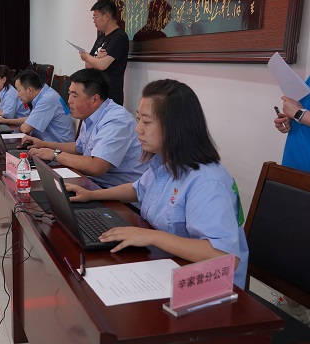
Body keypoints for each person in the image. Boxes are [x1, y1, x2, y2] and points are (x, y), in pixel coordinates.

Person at [65, 79, 249, 289]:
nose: (138, 129)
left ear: (175, 126)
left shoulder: (207, 181)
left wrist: (151, 236)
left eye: (146, 122)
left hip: (206, 287)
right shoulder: (164, 160)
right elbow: (138, 189)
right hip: (165, 265)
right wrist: (92, 195)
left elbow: (223, 256)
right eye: (138, 119)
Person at [23, 68, 148, 188]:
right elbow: (78, 148)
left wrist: (54, 155)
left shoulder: (116, 120)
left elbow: (97, 167)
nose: (69, 100)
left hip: (115, 192)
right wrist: (44, 144)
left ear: (94, 99)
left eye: (74, 96)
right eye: (69, 94)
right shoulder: (91, 114)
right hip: (95, 182)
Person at [272, 76, 310, 323]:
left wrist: (299, 114)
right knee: (294, 246)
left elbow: (302, 114)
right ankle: (293, 305)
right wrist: (288, 121)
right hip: (295, 170)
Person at [0, 69, 74, 143]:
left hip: (57, 147)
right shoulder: (44, 94)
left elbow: (25, 129)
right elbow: (31, 119)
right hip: (45, 143)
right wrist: (6, 121)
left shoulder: (47, 99)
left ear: (30, 90)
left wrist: (14, 127)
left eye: (19, 90)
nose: (17, 95)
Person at [79, 0, 129, 105]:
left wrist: (88, 57)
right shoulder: (101, 38)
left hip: (111, 95)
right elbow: (88, 66)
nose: (94, 21)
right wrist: (95, 59)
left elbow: (102, 65)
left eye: (96, 17)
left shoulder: (119, 37)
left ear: (106, 16)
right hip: (97, 92)